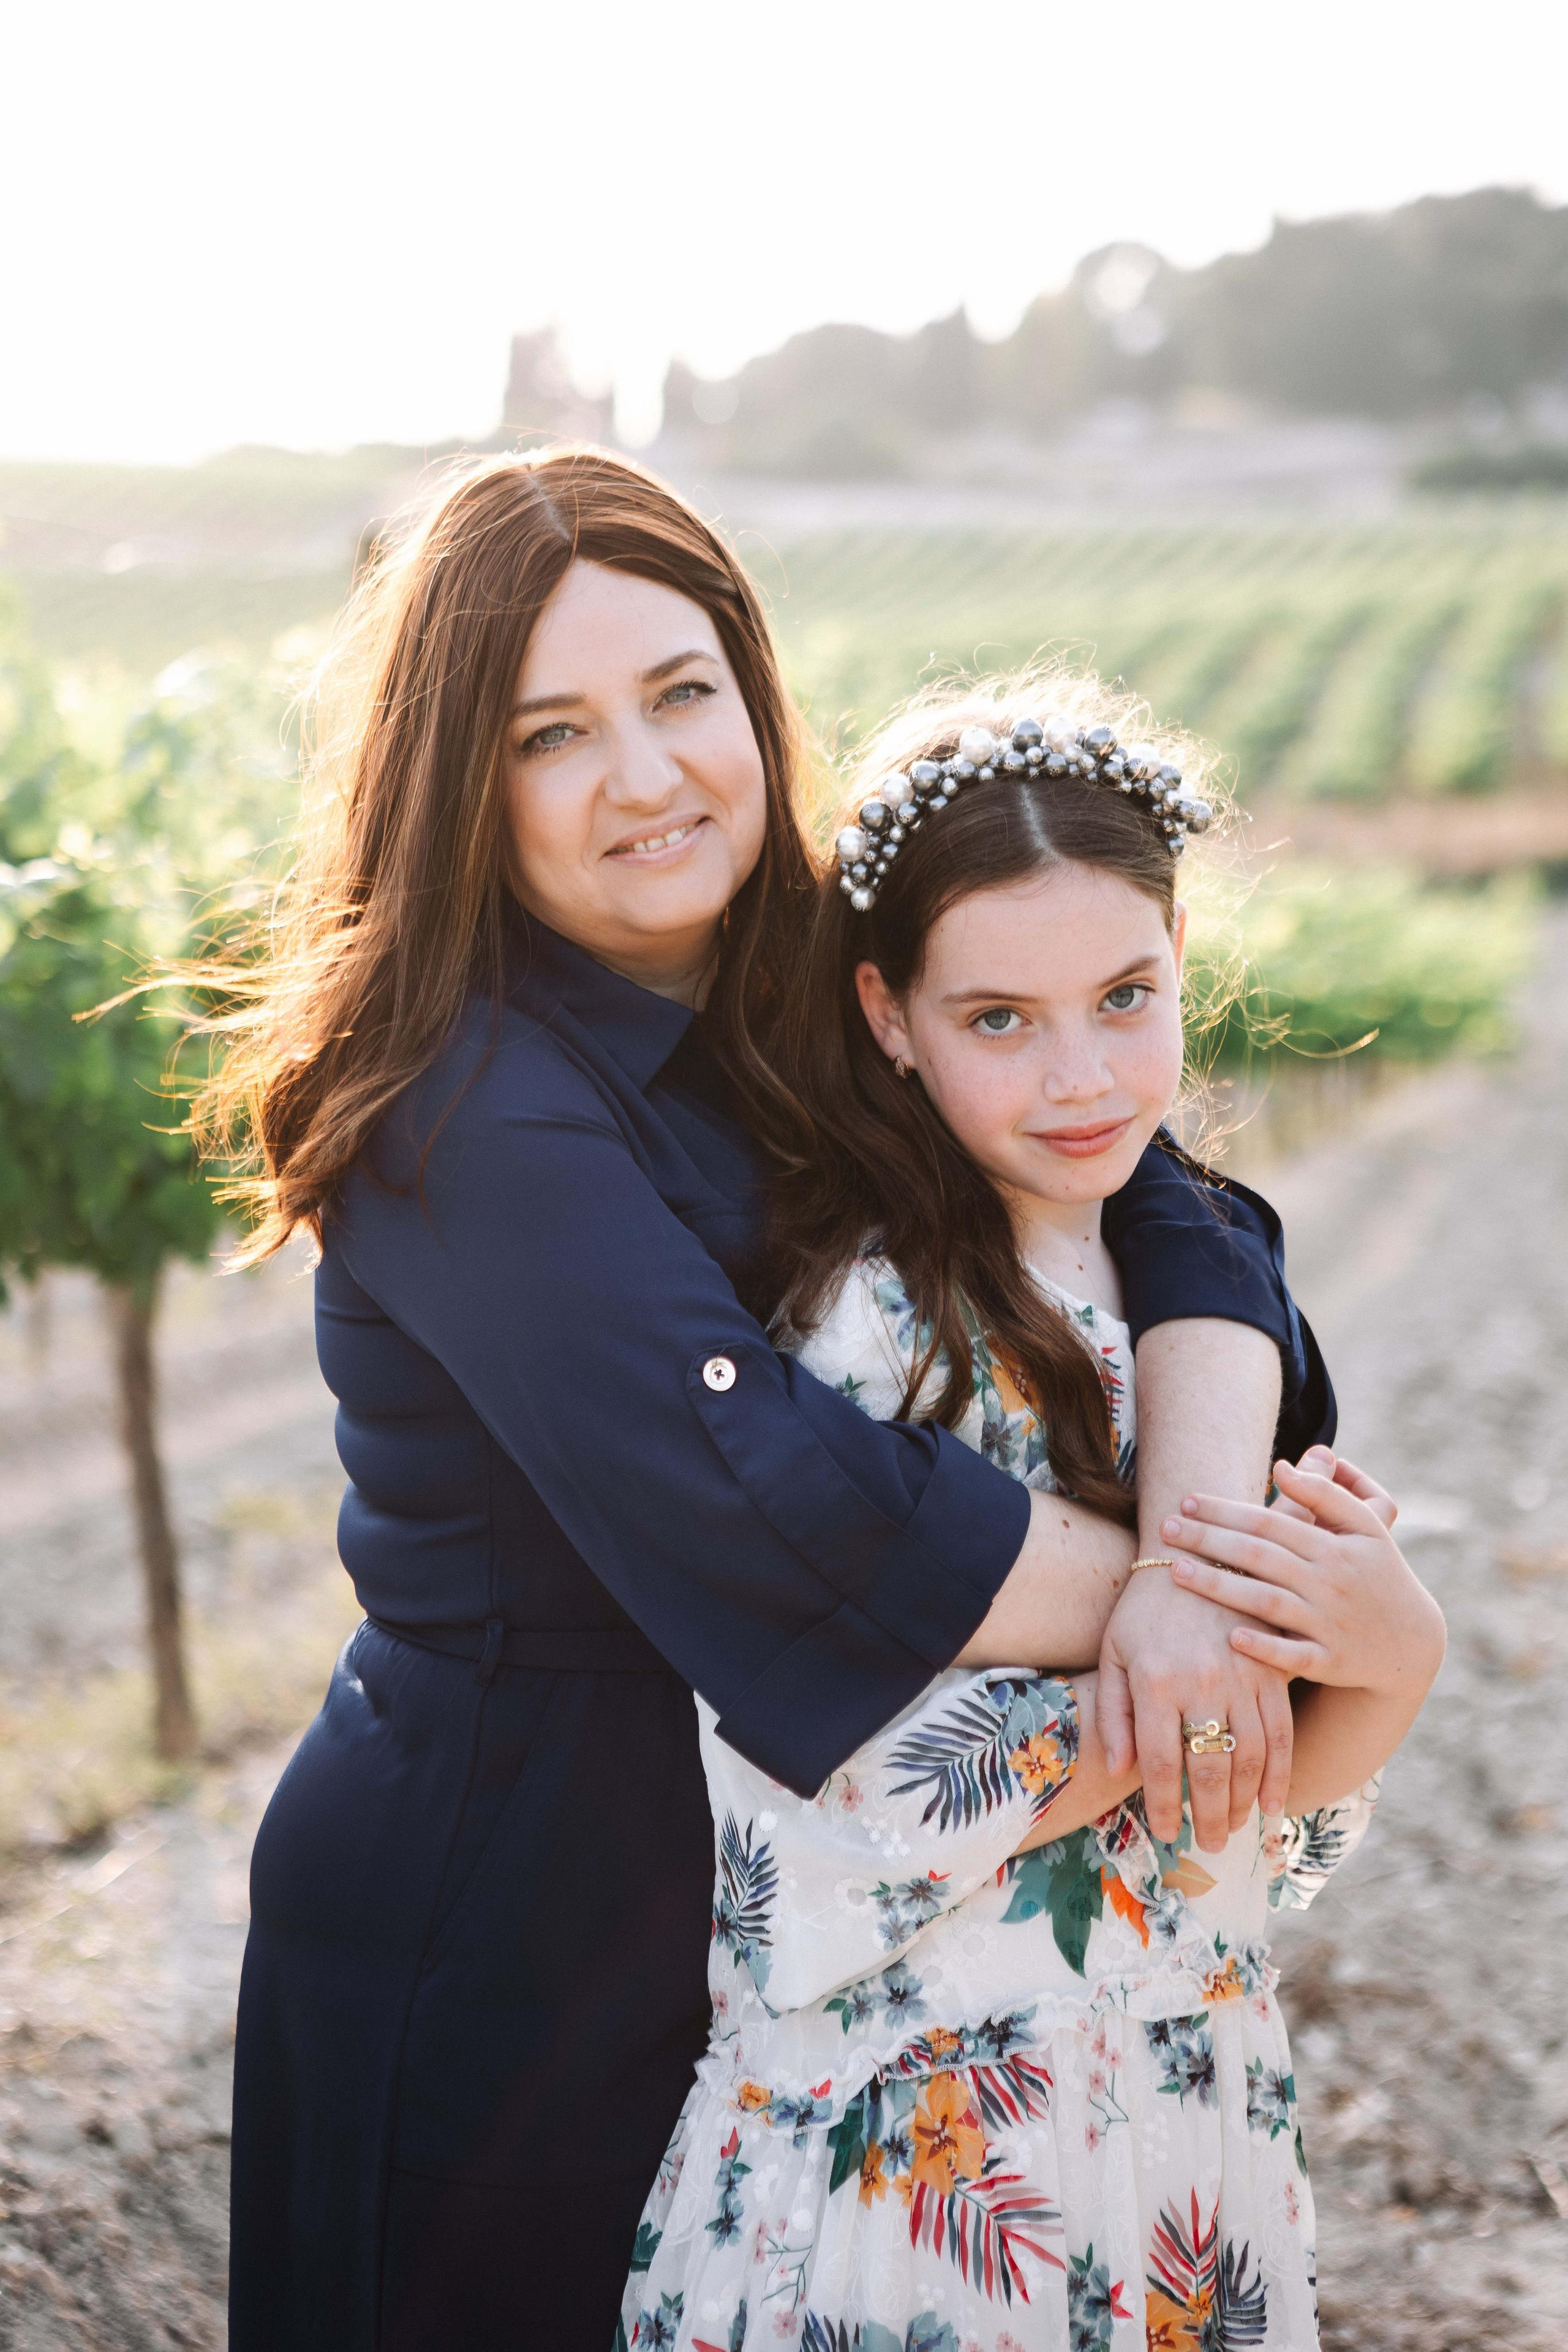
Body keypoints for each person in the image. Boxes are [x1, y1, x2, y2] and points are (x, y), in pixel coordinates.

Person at [202, 448, 1335, 2350]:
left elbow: (1168, 1196)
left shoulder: (841, 980)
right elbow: (762, 1479)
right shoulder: (451, 1097)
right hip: (517, 1897)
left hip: (799, 1897)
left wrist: (1200, 1560)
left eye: (681, 694)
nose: (645, 775)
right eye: (553, 734)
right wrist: (1173, 1592)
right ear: (459, 779)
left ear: (753, 694)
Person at [617, 677, 1444, 2349]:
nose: (1081, 1076)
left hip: (1184, 2133)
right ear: (888, 1014)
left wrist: (1392, 1656)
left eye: (1126, 998)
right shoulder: (860, 1332)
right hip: (928, 2168)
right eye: (999, 1018)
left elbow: (1253, 1810)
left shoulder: (1209, 1331)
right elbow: (810, 1821)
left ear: (1182, 957)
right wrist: (1193, 1675)